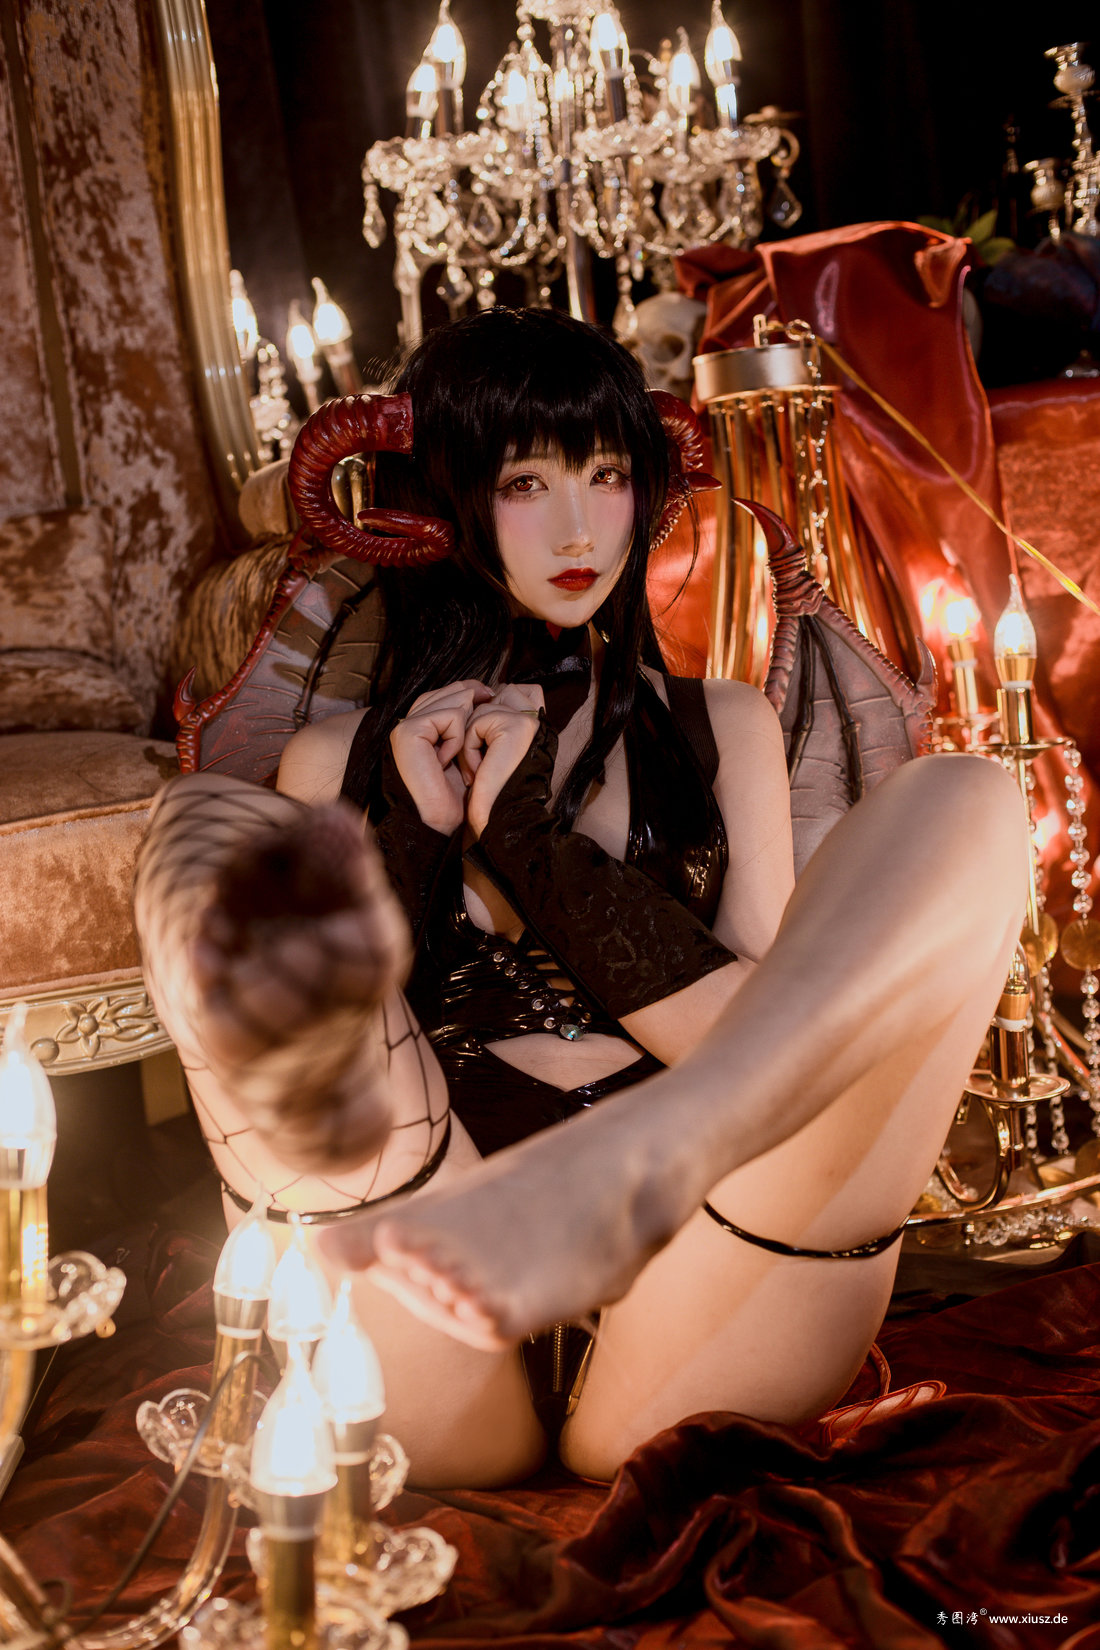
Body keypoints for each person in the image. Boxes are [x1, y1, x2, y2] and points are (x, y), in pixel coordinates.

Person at [135, 307, 1027, 1489]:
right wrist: (413, 837)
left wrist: (536, 850)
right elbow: (349, 1060)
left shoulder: (723, 728)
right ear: (441, 502)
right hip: (414, 1299)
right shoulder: (332, 757)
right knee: (199, 823)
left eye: (606, 476)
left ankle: (622, 1171)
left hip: (710, 1277)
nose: (577, 528)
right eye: (523, 483)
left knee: (968, 798)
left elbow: (773, 1055)